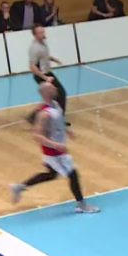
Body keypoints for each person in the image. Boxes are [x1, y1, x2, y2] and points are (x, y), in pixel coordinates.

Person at [10, 82, 99, 214]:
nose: (55, 88)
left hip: (57, 149)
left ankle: (19, 187)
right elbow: (36, 135)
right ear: (46, 92)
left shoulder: (55, 105)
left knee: (51, 174)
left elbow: (58, 122)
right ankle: (82, 205)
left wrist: (66, 131)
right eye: (52, 87)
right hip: (54, 152)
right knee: (73, 174)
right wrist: (55, 145)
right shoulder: (44, 114)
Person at [26, 25, 67, 124]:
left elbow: (44, 56)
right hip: (42, 75)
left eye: (43, 32)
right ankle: (59, 119)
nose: (43, 34)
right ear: (35, 35)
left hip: (47, 73)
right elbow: (32, 67)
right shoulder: (34, 48)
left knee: (51, 97)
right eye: (40, 33)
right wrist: (45, 78)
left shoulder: (43, 43)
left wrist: (54, 59)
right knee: (61, 93)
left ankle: (34, 116)